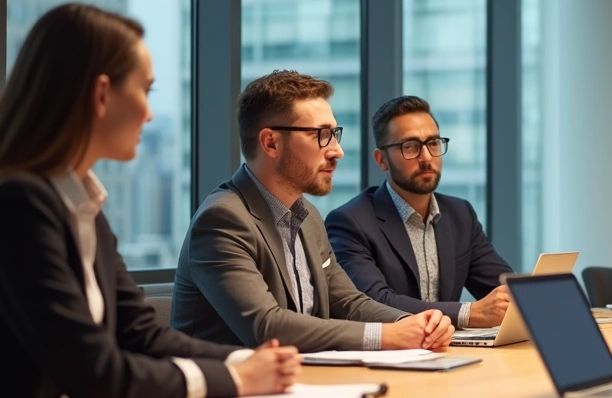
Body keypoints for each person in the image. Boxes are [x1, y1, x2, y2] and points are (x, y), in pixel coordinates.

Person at [0, 4, 300, 398]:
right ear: (101, 94)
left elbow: (140, 335)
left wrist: (246, 363)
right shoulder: (17, 205)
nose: (151, 112)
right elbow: (99, 375)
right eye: (146, 90)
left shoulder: (79, 203)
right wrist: (239, 381)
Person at [172, 71, 454, 353]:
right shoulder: (222, 220)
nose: (337, 151)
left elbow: (347, 302)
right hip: (229, 393)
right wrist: (386, 336)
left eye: (334, 134)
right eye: (322, 135)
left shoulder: (307, 216)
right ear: (271, 143)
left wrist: (415, 324)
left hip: (303, 382)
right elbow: (267, 327)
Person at [325, 96, 512, 328]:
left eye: (433, 143)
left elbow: (501, 286)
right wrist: (468, 313)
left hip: (447, 352)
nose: (426, 158)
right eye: (410, 147)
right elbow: (375, 302)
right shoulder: (350, 222)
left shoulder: (460, 214)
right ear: (381, 160)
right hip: (389, 357)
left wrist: (522, 298)